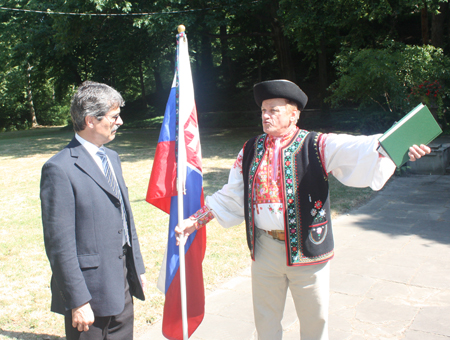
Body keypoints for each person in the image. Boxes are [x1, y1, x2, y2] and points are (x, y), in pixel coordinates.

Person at [176, 79, 431, 340]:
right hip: (264, 250)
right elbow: (233, 194)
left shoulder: (316, 144)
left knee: (314, 322)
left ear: (293, 113)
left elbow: (360, 147)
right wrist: (195, 221)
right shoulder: (250, 148)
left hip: (308, 250)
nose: (265, 115)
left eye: (274, 110)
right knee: (265, 322)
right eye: (263, 110)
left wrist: (400, 146)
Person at [40, 81, 147, 340]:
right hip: (89, 293)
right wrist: (77, 301)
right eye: (114, 116)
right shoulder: (59, 169)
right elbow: (59, 245)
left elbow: (125, 218)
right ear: (90, 120)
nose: (120, 121)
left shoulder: (111, 158)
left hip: (121, 283)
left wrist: (137, 269)